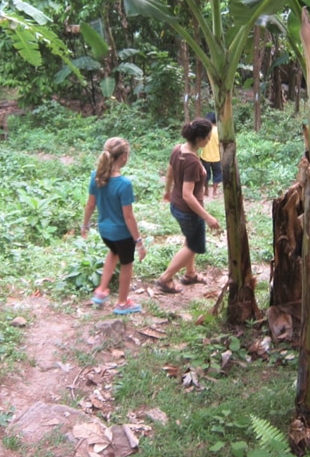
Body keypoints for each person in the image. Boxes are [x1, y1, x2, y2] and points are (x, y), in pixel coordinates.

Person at [80, 137, 145, 315]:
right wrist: (138, 241)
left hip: (105, 232)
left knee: (113, 253)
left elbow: (90, 204)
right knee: (127, 264)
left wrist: (85, 225)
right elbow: (128, 217)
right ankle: (123, 303)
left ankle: (101, 291)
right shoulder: (124, 184)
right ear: (123, 156)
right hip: (122, 234)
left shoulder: (97, 176)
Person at [155, 118, 220, 294]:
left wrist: (167, 192)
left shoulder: (178, 149)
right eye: (207, 138)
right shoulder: (191, 161)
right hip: (189, 211)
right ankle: (165, 278)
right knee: (193, 245)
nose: (208, 141)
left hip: (177, 206)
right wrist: (207, 217)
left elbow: (169, 173)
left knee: (190, 239)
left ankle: (190, 274)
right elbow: (187, 194)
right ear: (199, 138)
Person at [199, 111, 222, 198]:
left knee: (205, 174)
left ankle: (206, 191)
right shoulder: (219, 131)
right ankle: (214, 192)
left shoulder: (204, 131)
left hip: (205, 157)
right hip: (216, 157)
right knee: (217, 174)